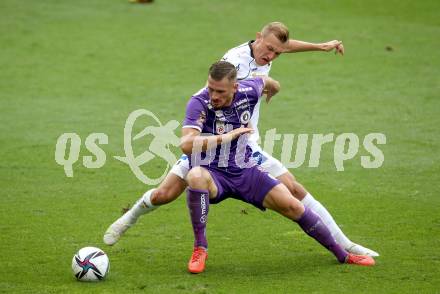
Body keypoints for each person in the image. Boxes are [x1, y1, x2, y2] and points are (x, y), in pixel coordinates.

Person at [103, 22, 379, 257]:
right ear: (257, 39)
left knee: (294, 189)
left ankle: (346, 245)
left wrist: (319, 47)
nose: (271, 56)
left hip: (245, 148)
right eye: (268, 49)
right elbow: (215, 91)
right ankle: (130, 217)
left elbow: (281, 49)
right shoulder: (236, 64)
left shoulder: (263, 52)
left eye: (276, 52)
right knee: (165, 194)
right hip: (210, 148)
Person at [182, 61, 374, 273]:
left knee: (292, 205)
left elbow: (267, 82)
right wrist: (225, 137)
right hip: (212, 173)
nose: (213, 96)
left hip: (244, 170)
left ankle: (343, 255)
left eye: (220, 91)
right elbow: (186, 145)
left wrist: (273, 89)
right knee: (194, 175)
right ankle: (200, 247)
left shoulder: (249, 91)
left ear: (235, 87)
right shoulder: (199, 103)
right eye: (210, 89)